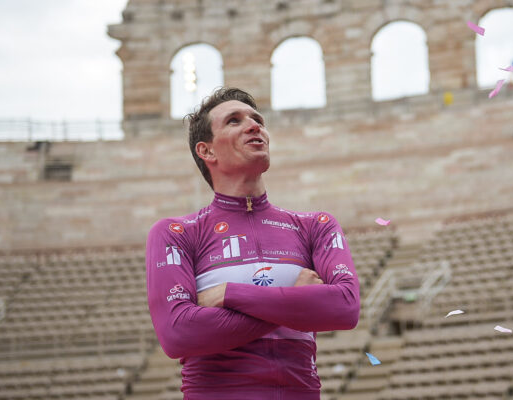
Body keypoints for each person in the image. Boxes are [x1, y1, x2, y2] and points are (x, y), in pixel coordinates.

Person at [145, 87, 360, 399]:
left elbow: (345, 308)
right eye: (234, 121)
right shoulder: (176, 233)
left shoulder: (316, 226)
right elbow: (179, 334)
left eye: (257, 119)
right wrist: (294, 299)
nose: (254, 125)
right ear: (207, 151)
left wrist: (231, 294)